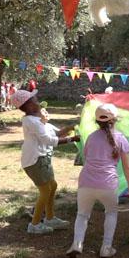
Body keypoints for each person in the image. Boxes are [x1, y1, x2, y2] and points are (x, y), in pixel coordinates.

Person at [66, 104, 129, 258]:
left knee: (82, 215)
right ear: (115, 119)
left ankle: (77, 243)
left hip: (86, 182)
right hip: (108, 184)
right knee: (111, 213)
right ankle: (106, 247)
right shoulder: (120, 138)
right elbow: (127, 167)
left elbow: (86, 158)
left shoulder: (91, 137)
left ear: (97, 121)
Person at [12, 89, 80, 234]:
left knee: (52, 186)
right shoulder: (31, 121)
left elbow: (56, 132)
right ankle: (35, 224)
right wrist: (71, 139)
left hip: (43, 159)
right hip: (35, 161)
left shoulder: (38, 120)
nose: (38, 101)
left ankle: (50, 218)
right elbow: (49, 140)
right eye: (34, 100)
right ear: (29, 106)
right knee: (45, 190)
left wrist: (73, 127)